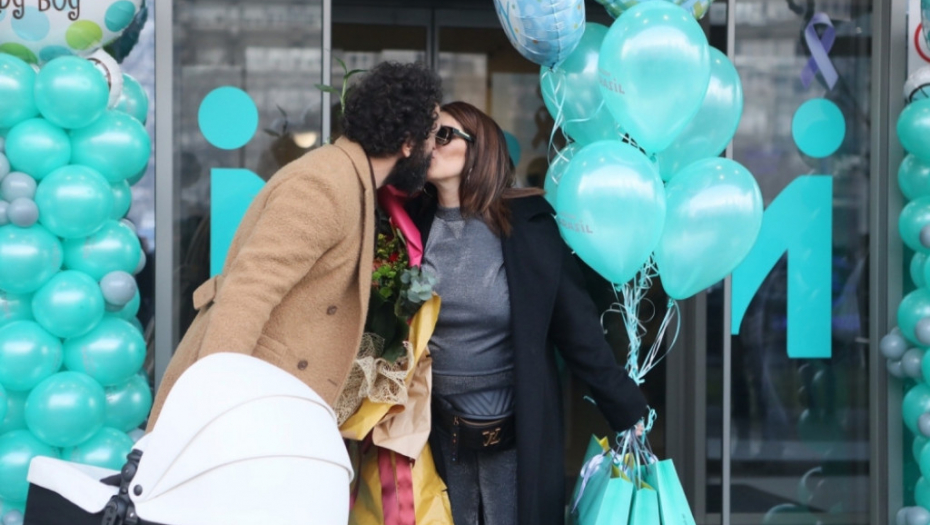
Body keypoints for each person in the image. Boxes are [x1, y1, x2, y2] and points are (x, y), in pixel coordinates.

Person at [147, 62, 443, 427]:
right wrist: (213, 409)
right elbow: (249, 292)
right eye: (433, 136)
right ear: (409, 142)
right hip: (246, 406)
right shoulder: (325, 185)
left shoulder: (350, 179)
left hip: (269, 401)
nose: (434, 149)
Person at [407, 101, 648, 525]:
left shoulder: (529, 228)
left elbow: (577, 329)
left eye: (443, 134)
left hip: (516, 432)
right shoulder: (410, 224)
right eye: (425, 136)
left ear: (479, 147)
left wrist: (625, 406)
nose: (431, 145)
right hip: (434, 433)